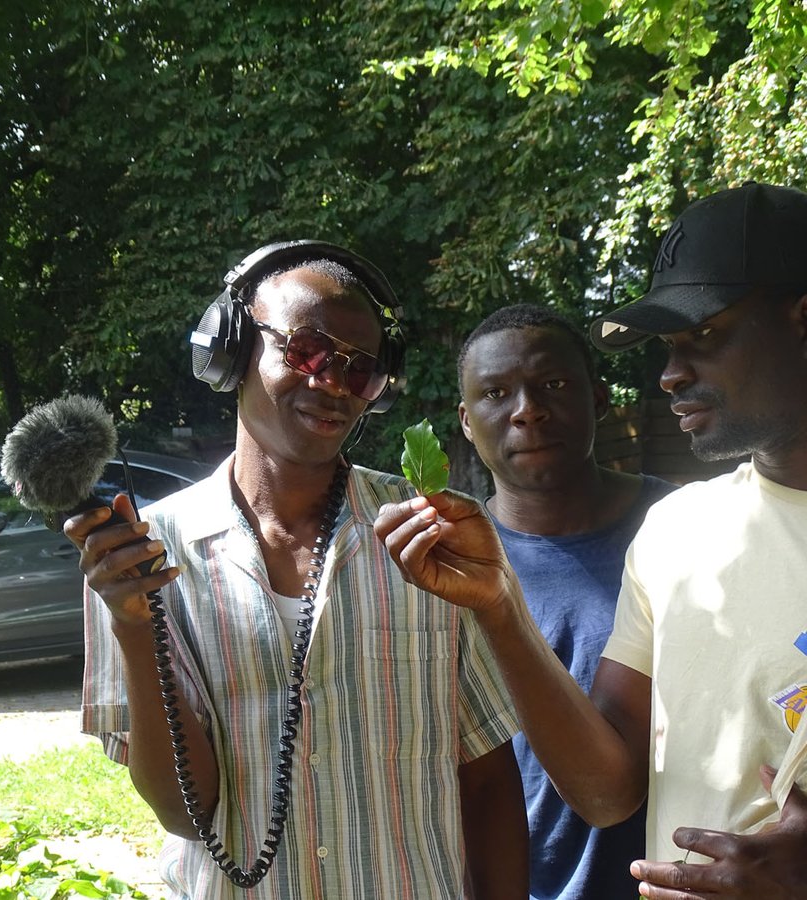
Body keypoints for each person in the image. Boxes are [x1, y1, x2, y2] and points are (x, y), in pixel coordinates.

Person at [376, 182, 807, 899]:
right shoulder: (676, 533)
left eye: (703, 336)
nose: (671, 373)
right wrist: (498, 604)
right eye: (667, 347)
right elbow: (607, 794)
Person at [66, 241, 528, 899]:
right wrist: (136, 629)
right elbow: (182, 812)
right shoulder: (141, 552)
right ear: (229, 348)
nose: (332, 384)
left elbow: (487, 776)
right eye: (306, 351)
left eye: (360, 371)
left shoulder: (436, 533)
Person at [457, 303, 676, 898]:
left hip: (665, 878)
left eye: (552, 384)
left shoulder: (686, 530)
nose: (528, 410)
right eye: (496, 393)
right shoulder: (444, 561)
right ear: (465, 421)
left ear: (598, 398)